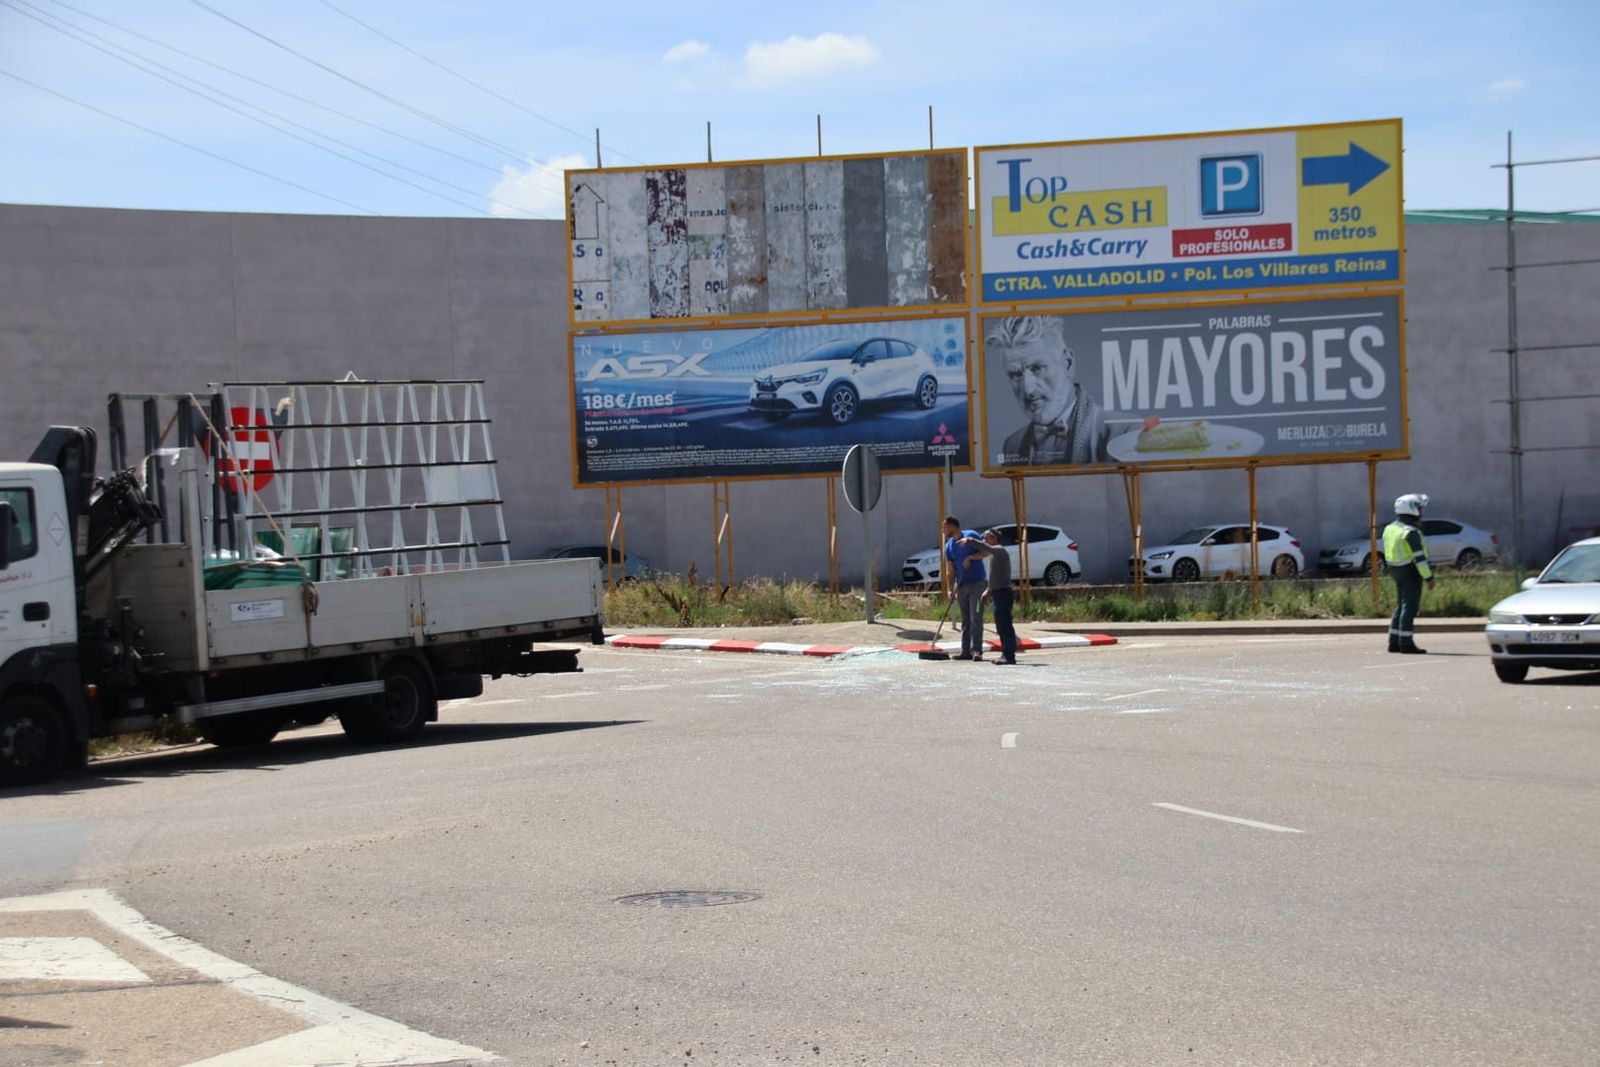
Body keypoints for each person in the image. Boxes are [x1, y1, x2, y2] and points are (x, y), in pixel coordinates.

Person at [987, 315, 1110, 466]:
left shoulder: (1121, 433)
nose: (1028, 390)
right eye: (1016, 375)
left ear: (1068, 364)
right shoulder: (1012, 445)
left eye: (1037, 368)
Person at [1383, 493, 1434, 654]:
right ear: (1412, 510)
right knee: (1409, 607)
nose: (1421, 511)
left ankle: (1394, 642)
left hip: (1395, 569)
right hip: (1410, 571)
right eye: (1419, 508)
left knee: (1401, 606)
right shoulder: (1410, 531)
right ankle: (1406, 643)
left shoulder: (1390, 528)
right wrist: (1429, 577)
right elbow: (1420, 559)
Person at [965, 528, 1018, 665]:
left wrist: (970, 541)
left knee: (1005, 625)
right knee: (1001, 626)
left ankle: (1009, 655)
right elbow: (995, 577)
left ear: (994, 538)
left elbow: (985, 547)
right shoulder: (996, 556)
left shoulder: (1000, 550)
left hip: (1003, 594)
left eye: (987, 537)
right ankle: (1005, 653)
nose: (984, 540)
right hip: (997, 593)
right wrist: (988, 590)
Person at [942, 515, 987, 660]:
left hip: (977, 585)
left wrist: (971, 558)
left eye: (944, 527)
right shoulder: (949, 545)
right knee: (965, 620)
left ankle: (977, 650)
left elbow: (985, 552)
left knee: (976, 618)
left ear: (952, 526)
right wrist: (950, 589)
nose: (943, 530)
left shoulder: (971, 536)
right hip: (961, 586)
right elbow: (950, 569)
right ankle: (965, 650)